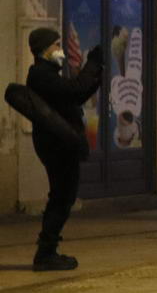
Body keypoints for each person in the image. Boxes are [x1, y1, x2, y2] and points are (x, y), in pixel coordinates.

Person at [26, 27, 103, 270]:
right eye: (56, 45)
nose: (60, 49)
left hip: (59, 142)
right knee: (62, 197)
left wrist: (94, 71)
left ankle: (48, 250)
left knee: (63, 196)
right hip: (57, 144)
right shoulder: (41, 75)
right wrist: (92, 66)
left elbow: (77, 95)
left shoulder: (48, 73)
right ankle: (46, 252)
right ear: (43, 49)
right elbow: (75, 91)